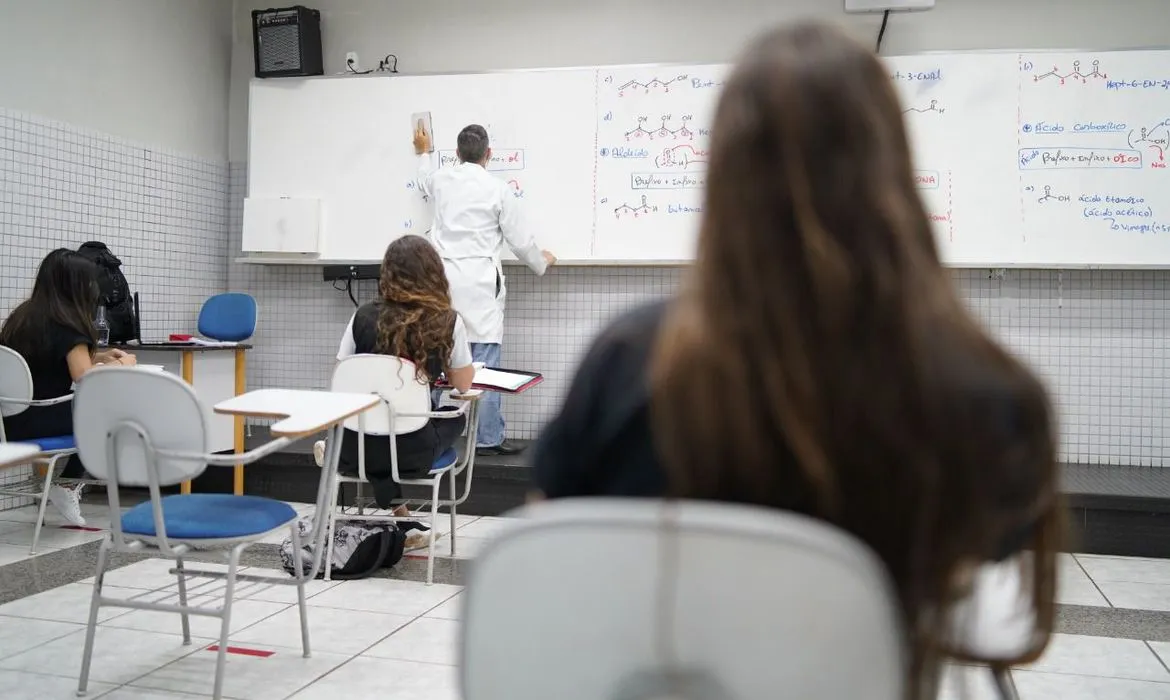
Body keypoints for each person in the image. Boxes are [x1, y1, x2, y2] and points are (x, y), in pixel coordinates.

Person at [530, 22, 1060, 699]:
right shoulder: (991, 397)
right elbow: (976, 588)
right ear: (891, 169)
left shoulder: (632, 363)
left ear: (724, 175)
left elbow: (547, 557)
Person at [314, 236, 474, 533]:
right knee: (456, 416)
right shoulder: (447, 320)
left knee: (380, 429)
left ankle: (402, 516)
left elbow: (341, 376)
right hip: (411, 453)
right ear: (434, 274)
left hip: (354, 447)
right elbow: (463, 384)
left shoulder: (361, 316)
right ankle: (404, 520)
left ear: (387, 272)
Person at [413, 123, 556, 456]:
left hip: (443, 285)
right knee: (485, 366)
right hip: (479, 286)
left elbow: (422, 181)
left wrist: (423, 152)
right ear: (488, 154)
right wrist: (542, 262)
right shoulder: (498, 189)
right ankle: (488, 438)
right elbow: (520, 242)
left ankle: (423, 430)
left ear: (458, 154)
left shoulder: (441, 179)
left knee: (436, 356)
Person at [0, 249, 136, 526]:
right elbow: (84, 376)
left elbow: (44, 359)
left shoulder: (20, 318)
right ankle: (67, 485)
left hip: (11, 422)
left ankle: (64, 487)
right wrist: (125, 364)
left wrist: (98, 356)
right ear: (75, 285)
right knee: (113, 418)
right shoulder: (69, 324)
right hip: (44, 422)